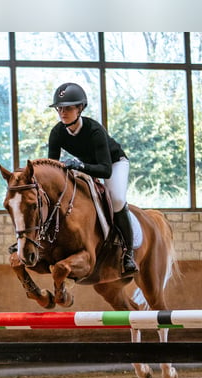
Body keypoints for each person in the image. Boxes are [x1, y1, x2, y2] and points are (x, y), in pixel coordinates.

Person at [47, 82, 138, 276]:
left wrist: (79, 166)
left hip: (113, 164)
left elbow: (105, 171)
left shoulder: (94, 131)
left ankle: (128, 253)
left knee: (117, 199)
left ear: (80, 108)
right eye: (60, 108)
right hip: (86, 165)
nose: (63, 112)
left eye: (69, 108)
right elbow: (52, 166)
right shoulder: (56, 133)